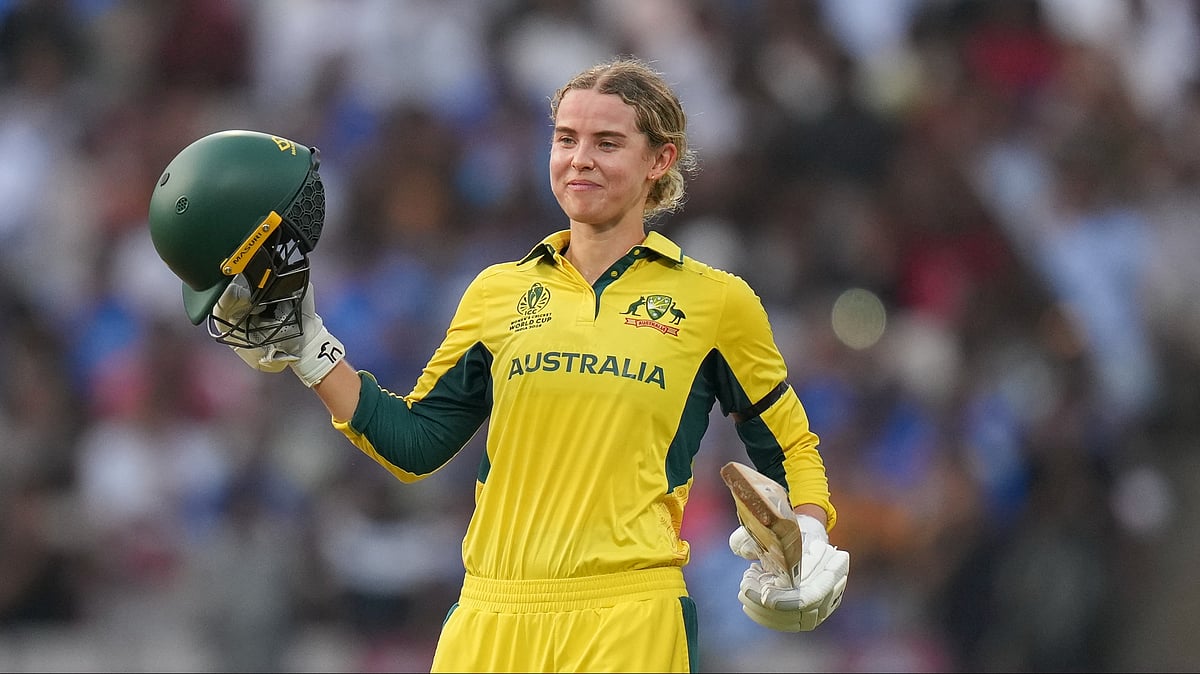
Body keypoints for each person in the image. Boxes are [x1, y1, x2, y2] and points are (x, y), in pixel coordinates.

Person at [148, 56, 849, 673]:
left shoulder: (716, 303)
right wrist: (309, 352)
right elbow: (418, 443)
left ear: (658, 161)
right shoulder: (497, 293)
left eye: (608, 143)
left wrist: (810, 531)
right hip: (489, 613)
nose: (580, 159)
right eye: (566, 139)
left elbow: (786, 441)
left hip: (629, 614)